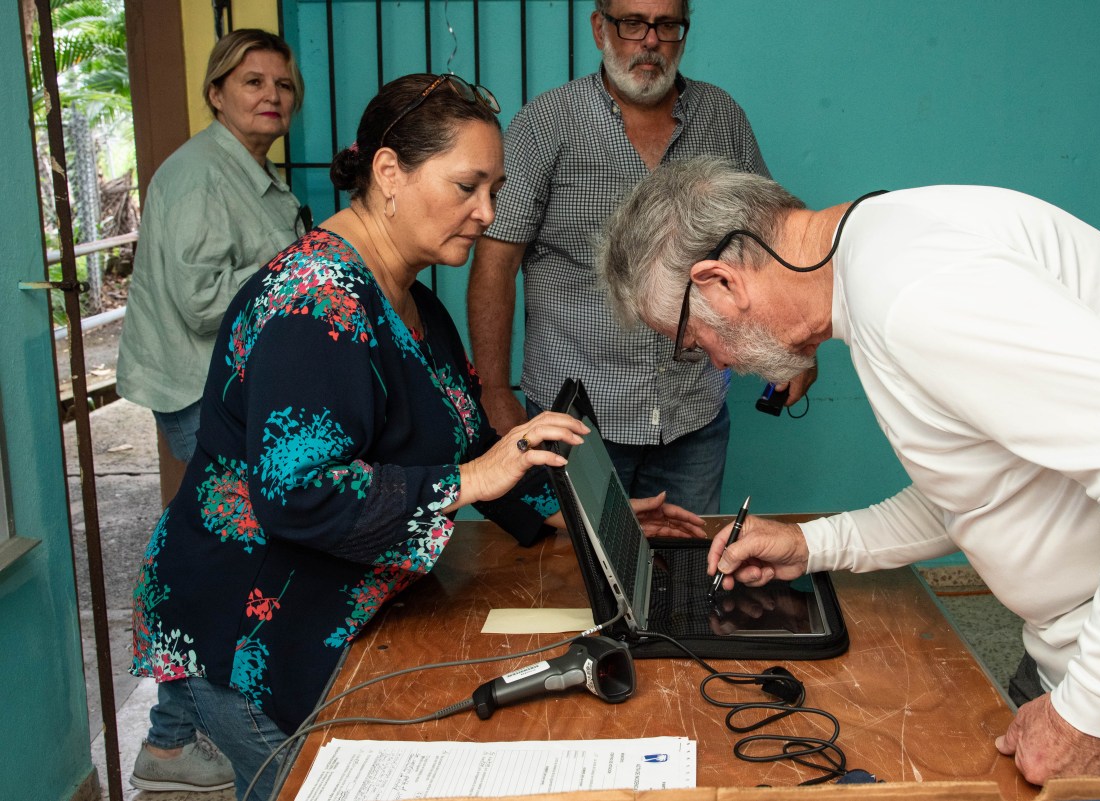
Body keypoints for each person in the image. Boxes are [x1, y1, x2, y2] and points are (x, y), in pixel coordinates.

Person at [127, 73, 705, 801]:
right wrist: (469, 482)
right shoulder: (314, 302)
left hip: (340, 613)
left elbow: (465, 437)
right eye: (467, 186)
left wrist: (565, 516)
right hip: (249, 628)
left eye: (494, 189)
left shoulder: (416, 300)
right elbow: (299, 494)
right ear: (389, 172)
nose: (487, 212)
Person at [595, 157, 1100, 784]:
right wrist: (812, 544)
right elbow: (981, 490)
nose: (716, 362)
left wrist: (1092, 716)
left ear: (720, 281)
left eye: (692, 342)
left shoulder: (915, 296)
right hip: (1075, 662)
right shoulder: (883, 253)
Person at [467, 0, 808, 515]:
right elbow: (496, 261)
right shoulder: (546, 123)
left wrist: (798, 347)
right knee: (570, 578)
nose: (650, 40)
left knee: (686, 572)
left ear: (683, 32)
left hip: (694, 417)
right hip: (575, 424)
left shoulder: (722, 117)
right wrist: (493, 390)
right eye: (632, 23)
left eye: (667, 24)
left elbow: (773, 242)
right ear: (600, 27)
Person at [116, 28, 308, 793]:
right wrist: (292, 267)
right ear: (216, 92)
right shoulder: (200, 175)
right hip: (201, 392)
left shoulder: (248, 169)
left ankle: (171, 735)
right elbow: (203, 302)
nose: (271, 95)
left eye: (282, 85)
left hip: (229, 389)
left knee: (208, 556)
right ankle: (170, 737)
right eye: (253, 81)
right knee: (212, 562)